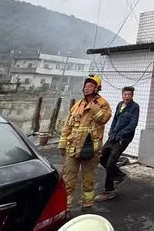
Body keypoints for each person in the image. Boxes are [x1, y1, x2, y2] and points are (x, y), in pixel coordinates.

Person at [58, 74, 112, 213]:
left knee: (88, 179)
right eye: (86, 86)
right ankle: (65, 207)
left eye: (91, 86)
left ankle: (87, 206)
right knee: (68, 179)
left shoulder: (102, 103)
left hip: (90, 149)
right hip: (73, 147)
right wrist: (62, 143)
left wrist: (92, 106)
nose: (87, 88)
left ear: (97, 88)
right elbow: (67, 125)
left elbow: (104, 118)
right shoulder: (77, 105)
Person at [95, 86, 140, 201]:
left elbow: (132, 125)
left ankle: (109, 191)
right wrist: (111, 132)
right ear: (122, 95)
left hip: (123, 139)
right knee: (102, 158)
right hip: (113, 136)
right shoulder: (120, 105)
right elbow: (115, 120)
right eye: (125, 94)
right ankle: (120, 176)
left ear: (132, 95)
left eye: (129, 94)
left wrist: (120, 134)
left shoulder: (135, 107)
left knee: (111, 163)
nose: (127, 97)